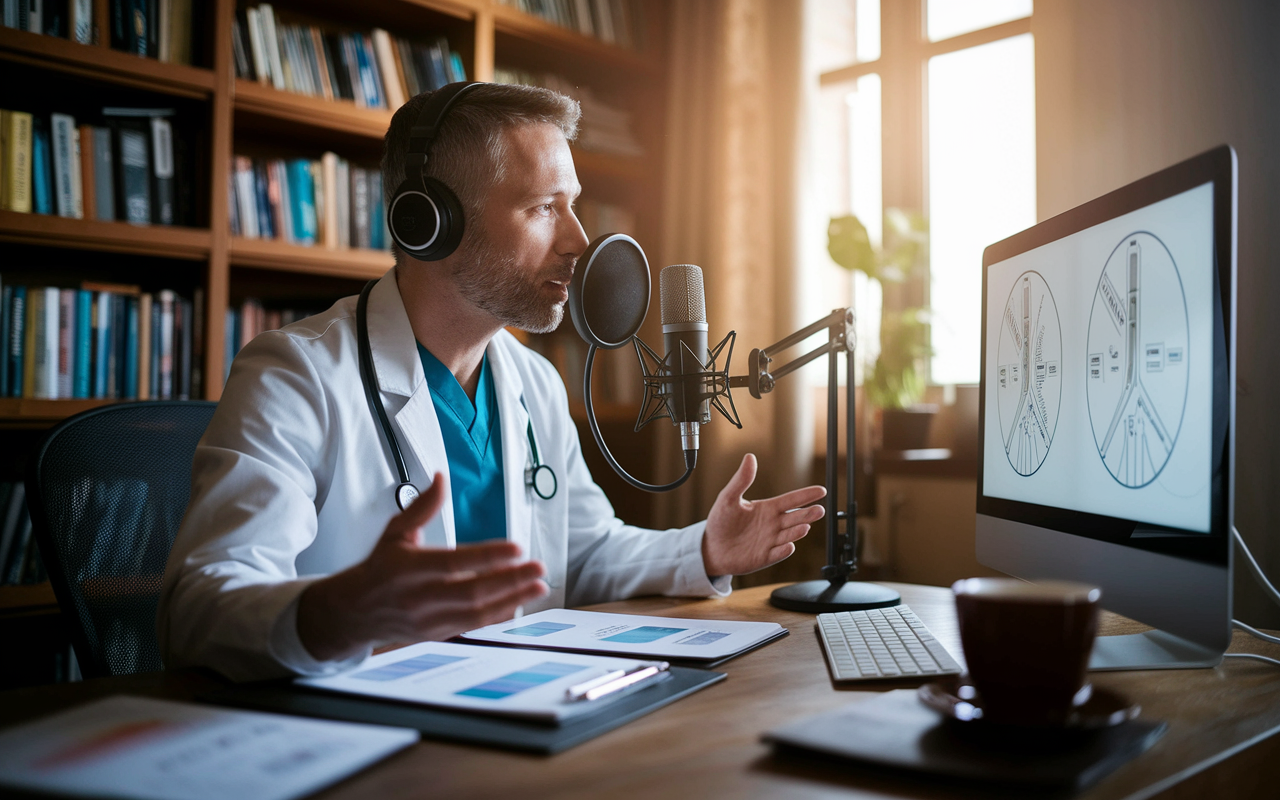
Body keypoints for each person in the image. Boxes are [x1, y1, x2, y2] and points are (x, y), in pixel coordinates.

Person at [157, 83, 826, 682]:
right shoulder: (295, 375)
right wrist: (336, 613)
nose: (578, 241)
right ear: (432, 223)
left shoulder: (534, 382)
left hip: (520, 714)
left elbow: (585, 554)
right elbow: (196, 608)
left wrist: (704, 548)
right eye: (543, 208)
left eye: (575, 208)